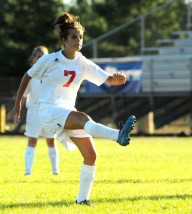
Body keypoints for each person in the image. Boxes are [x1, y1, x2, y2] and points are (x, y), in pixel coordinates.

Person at [9, 12, 136, 206]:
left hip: (67, 113)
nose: (78, 41)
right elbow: (27, 76)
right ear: (64, 40)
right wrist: (18, 104)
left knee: (91, 155)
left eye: (81, 37)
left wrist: (116, 79)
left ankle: (82, 199)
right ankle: (118, 135)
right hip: (49, 111)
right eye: (74, 37)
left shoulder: (82, 62)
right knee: (83, 117)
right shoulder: (50, 60)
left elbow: (107, 78)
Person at [23, 45, 59, 175]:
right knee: (32, 139)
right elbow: (23, 94)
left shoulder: (53, 74)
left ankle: (55, 171)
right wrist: (17, 109)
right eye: (38, 57)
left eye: (44, 57)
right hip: (34, 111)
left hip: (49, 111)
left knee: (51, 140)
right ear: (33, 59)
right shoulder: (30, 75)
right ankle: (28, 171)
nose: (41, 59)